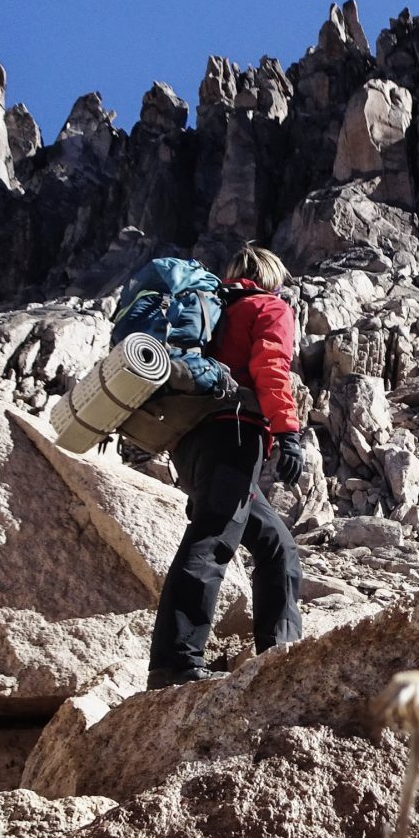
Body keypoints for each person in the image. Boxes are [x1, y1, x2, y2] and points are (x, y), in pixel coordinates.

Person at [146, 245, 304, 689]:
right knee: (213, 539)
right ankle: (175, 663)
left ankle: (281, 656)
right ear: (271, 277)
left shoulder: (212, 314)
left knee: (277, 547)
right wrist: (287, 432)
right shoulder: (266, 307)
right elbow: (272, 366)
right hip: (234, 435)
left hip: (191, 444)